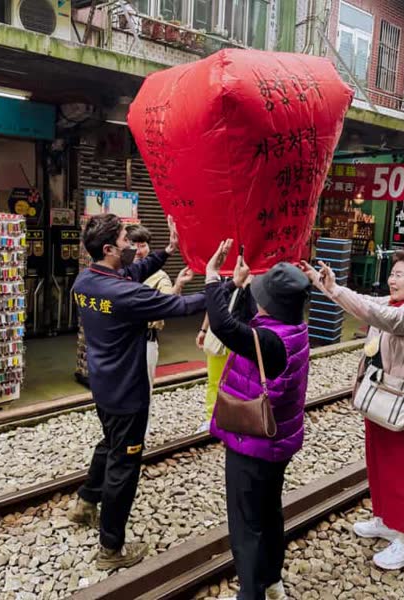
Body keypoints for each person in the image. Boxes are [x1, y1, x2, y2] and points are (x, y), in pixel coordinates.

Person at [67, 214, 206, 570]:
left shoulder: (87, 281)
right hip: (128, 392)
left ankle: (84, 502)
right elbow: (181, 306)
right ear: (110, 248)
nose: (132, 244)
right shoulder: (125, 295)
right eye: (127, 239)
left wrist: (167, 252)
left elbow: (133, 272)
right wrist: (223, 287)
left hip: (103, 385)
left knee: (108, 442)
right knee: (124, 467)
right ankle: (110, 550)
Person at [300, 247, 404, 570]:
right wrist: (323, 283)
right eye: (392, 273)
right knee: (378, 462)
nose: (391, 280)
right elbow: (364, 302)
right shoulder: (395, 302)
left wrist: (335, 289)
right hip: (382, 396)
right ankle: (385, 520)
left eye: (399, 275)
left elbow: (376, 315)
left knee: (403, 472)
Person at [206, 240, 310, 600]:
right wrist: (234, 284)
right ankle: (271, 580)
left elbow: (222, 325)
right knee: (269, 512)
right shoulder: (294, 328)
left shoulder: (267, 340)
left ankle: (251, 594)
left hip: (253, 444)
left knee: (246, 526)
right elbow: (240, 316)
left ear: (271, 304)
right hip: (279, 443)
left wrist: (211, 279)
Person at [126, 224, 194, 435]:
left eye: (143, 245)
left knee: (142, 391)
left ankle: (139, 437)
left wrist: (178, 286)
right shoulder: (120, 271)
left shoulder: (159, 276)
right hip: (121, 341)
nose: (138, 250)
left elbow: (168, 303)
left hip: (145, 340)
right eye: (133, 245)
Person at [195, 271, 257, 433]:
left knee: (242, 382)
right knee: (214, 380)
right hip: (219, 336)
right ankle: (212, 418)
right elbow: (212, 304)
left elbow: (257, 311)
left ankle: (238, 420)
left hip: (243, 337)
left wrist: (249, 285)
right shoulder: (220, 274)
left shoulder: (258, 276)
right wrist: (203, 329)